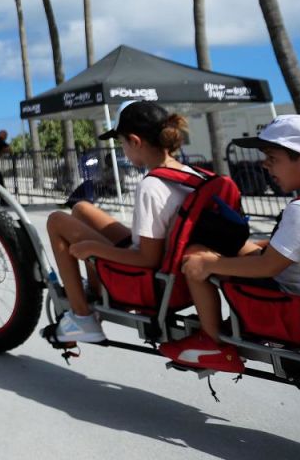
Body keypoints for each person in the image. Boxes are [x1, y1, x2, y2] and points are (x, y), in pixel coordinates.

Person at [160, 115, 300, 372]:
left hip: (292, 306)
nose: (264, 165)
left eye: (273, 158)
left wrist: (209, 264)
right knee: (238, 248)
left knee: (196, 256)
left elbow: (267, 267)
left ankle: (212, 342)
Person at [45, 101, 199, 343]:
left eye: (121, 143)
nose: (122, 150)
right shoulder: (190, 175)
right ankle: (95, 290)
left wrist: (93, 249)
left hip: (146, 279)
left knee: (56, 220)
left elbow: (147, 258)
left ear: (135, 141)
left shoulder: (152, 186)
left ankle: (82, 316)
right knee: (82, 209)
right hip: (173, 272)